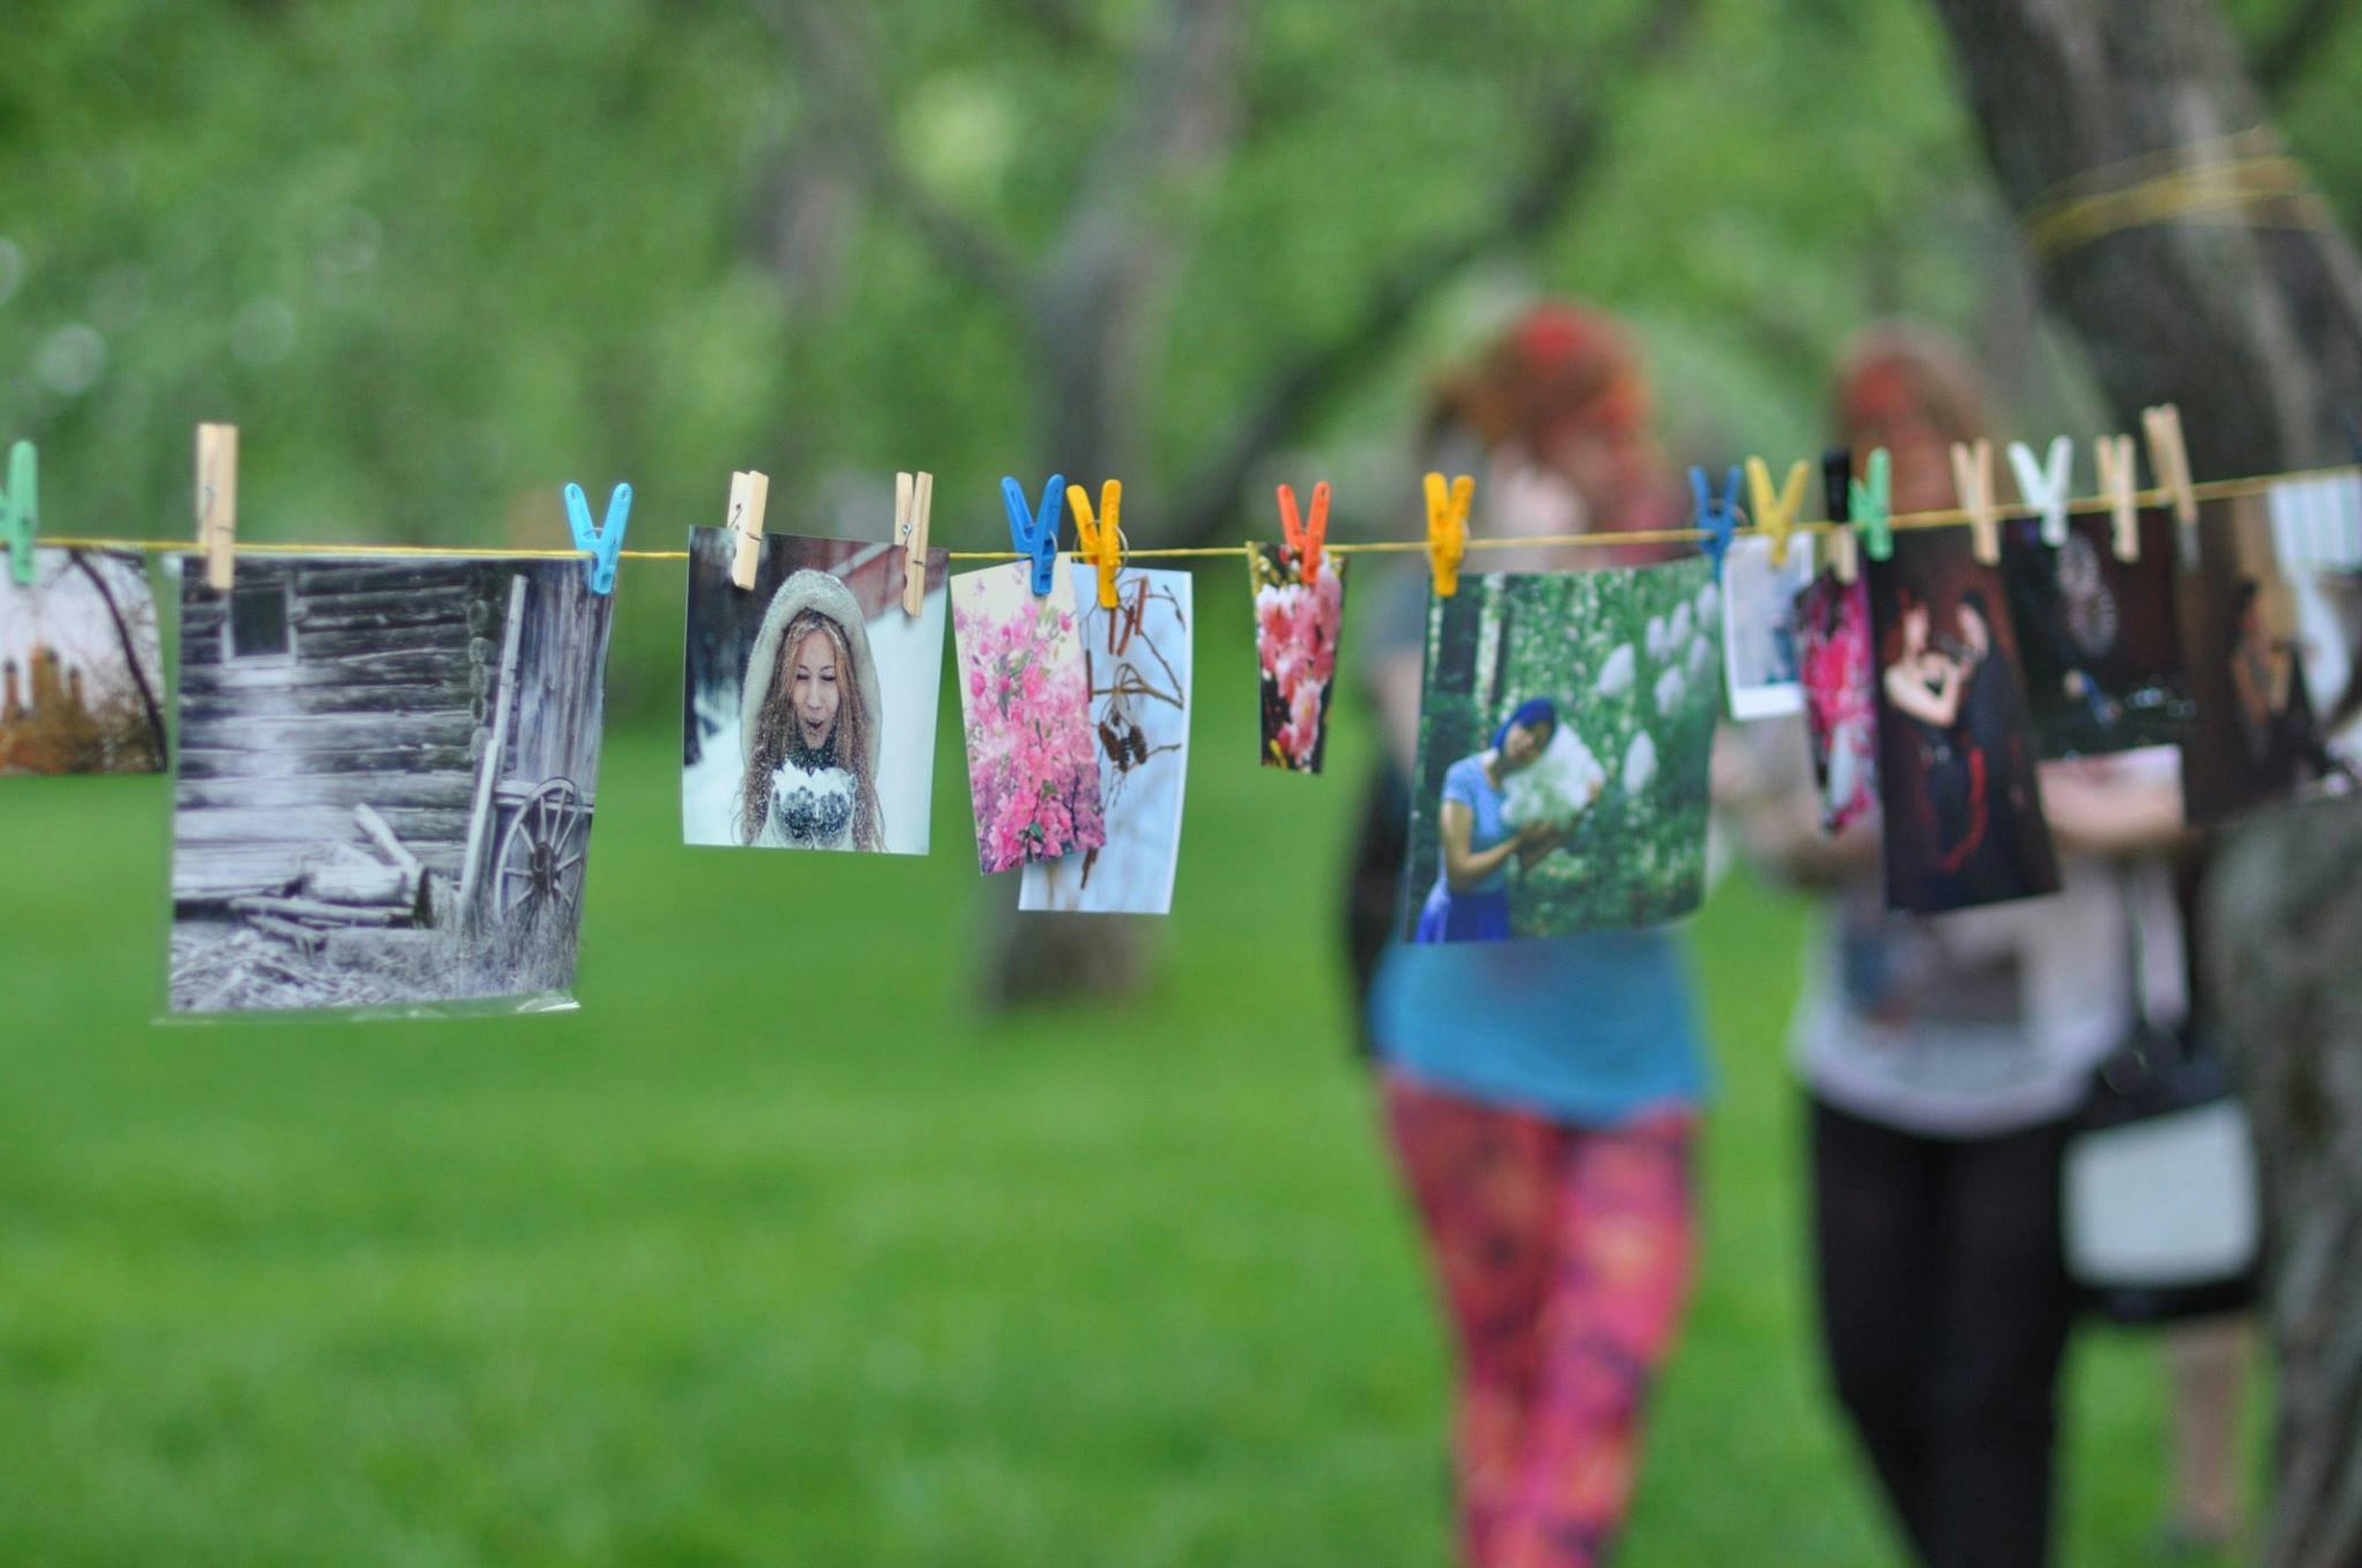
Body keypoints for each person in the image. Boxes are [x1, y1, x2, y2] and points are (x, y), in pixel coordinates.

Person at [1721, 325, 2194, 1568]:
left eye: (1924, 426)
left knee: (1996, 1390)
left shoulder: (2063, 583)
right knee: (1870, 1372)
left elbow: (2181, 791)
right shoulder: (1812, 597)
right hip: (1866, 1059)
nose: (1904, 455)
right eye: (1872, 433)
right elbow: (1775, 826)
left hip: (2042, 1067)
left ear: (1973, 435)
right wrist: (1851, 826)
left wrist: (2055, 809)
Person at [1347, 302, 1709, 1568]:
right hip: (1466, 1064)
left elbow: (1749, 788)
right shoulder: (1426, 597)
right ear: (1527, 451)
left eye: (1633, 429)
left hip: (1639, 1066)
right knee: (1507, 1382)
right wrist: (1524, 581)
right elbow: (1466, 808)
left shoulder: (1672, 581)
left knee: (1600, 1376)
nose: (1629, 459)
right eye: (1597, 434)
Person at [738, 568, 885, 851]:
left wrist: (839, 834)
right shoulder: (762, 779)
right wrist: (782, 829)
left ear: (849, 689)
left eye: (829, 678)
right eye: (801, 676)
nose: (814, 700)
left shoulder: (860, 778)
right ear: (779, 685)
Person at [1412, 699, 1577, 943]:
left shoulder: (1524, 793)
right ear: (1511, 724)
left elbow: (1526, 861)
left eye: (1538, 745)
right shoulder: (1464, 777)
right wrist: (1517, 842)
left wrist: (1571, 821)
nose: (1528, 743)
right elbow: (1458, 876)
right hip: (1452, 912)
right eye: (1527, 729)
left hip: (1492, 912)